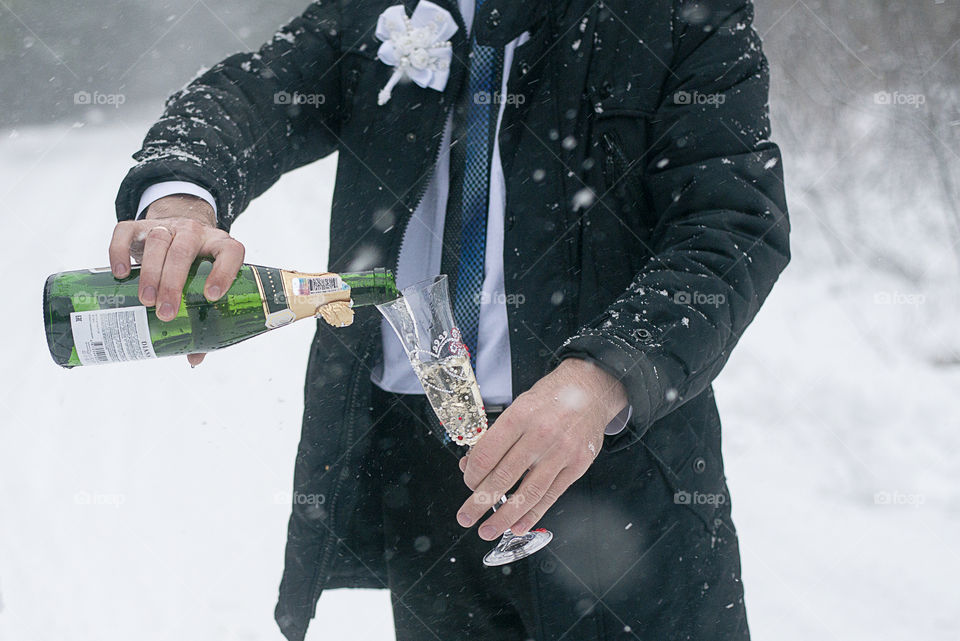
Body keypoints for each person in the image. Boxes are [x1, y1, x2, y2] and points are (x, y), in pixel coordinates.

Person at [108, 0, 790, 639]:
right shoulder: (377, 8)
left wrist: (604, 375)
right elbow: (254, 90)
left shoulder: (677, 14)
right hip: (429, 477)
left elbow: (733, 227)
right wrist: (180, 200)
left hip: (624, 478)